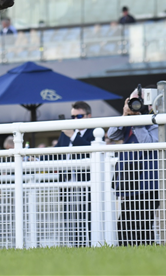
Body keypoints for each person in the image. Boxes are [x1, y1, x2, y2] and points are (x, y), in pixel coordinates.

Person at [107, 88, 159, 246]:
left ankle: (146, 256)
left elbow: (148, 145)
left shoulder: (156, 121)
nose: (134, 104)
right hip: (129, 181)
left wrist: (137, 121)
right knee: (124, 225)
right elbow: (112, 135)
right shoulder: (127, 121)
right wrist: (124, 116)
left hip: (147, 183)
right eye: (132, 100)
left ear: (149, 105)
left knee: (142, 225)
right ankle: (127, 257)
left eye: (138, 100)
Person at [54, 101, 94, 246]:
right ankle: (75, 245)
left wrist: (73, 136)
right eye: (73, 117)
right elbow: (56, 152)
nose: (75, 120)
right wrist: (36, 157)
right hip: (67, 184)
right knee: (70, 219)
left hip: (87, 185)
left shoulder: (95, 131)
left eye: (79, 116)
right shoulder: (65, 134)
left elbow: (91, 150)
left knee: (86, 217)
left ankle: (89, 245)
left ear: (88, 116)